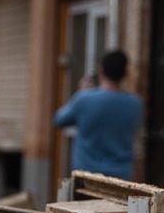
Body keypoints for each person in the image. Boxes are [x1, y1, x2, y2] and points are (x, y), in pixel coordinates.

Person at [52, 50, 144, 180]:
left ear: (101, 70)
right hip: (121, 177)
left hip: (86, 176)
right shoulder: (136, 104)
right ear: (125, 73)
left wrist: (80, 93)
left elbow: (59, 119)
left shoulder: (84, 99)